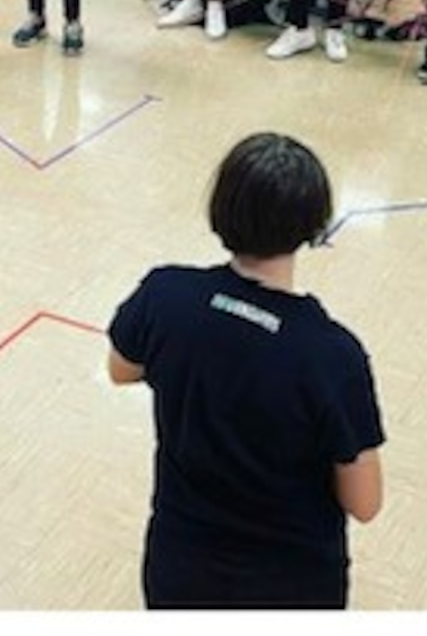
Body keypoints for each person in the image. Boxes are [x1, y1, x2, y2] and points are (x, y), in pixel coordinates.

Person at [107, 133, 386, 609]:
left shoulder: (164, 294)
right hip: (291, 584)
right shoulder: (332, 356)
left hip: (180, 566)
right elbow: (365, 503)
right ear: (313, 226)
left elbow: (120, 370)